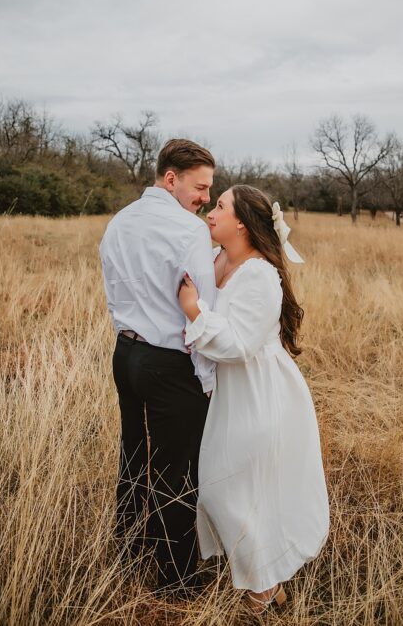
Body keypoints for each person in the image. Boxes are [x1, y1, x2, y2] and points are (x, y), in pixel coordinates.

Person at [178, 185, 328, 613]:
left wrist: (194, 312)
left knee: (233, 489)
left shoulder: (261, 275)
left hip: (262, 394)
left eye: (220, 206)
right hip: (232, 393)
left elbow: (240, 343)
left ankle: (260, 594)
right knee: (228, 489)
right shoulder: (218, 259)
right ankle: (267, 586)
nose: (211, 211)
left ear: (241, 221)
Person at [98, 139, 219, 592]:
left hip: (125, 355)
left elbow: (114, 290)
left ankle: (129, 553)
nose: (205, 198)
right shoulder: (190, 231)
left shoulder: (118, 222)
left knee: (133, 455)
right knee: (177, 470)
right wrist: (207, 378)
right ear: (171, 178)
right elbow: (200, 309)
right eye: (200, 187)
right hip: (170, 364)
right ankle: (177, 578)